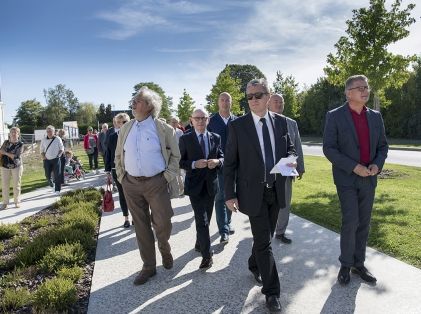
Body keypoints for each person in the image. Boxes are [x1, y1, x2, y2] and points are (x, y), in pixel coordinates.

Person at [224, 78, 296, 313]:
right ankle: (272, 293)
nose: (253, 100)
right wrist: (229, 194)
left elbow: (291, 150)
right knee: (265, 243)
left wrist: (289, 164)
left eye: (258, 95)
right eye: (249, 97)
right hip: (252, 193)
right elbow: (230, 164)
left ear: (268, 95)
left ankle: (253, 264)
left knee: (263, 238)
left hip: (276, 190)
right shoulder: (237, 126)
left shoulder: (283, 123)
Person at [323, 74, 388, 285]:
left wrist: (377, 165)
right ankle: (345, 264)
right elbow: (329, 149)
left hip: (369, 178)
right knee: (351, 221)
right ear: (348, 93)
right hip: (347, 179)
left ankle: (359, 264)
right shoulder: (334, 116)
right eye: (360, 88)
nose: (365, 91)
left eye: (367, 87)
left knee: (364, 222)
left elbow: (382, 146)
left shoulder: (375, 116)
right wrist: (354, 167)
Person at [115, 86, 180, 285]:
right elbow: (119, 155)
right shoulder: (126, 128)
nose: (133, 103)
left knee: (163, 221)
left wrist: (166, 177)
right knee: (141, 226)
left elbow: (176, 156)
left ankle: (164, 245)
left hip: (157, 182)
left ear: (149, 106)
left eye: (137, 100)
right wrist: (122, 177)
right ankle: (149, 267)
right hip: (131, 184)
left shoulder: (164, 129)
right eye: (133, 100)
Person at [179, 108, 224, 269]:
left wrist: (218, 162)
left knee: (207, 219)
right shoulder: (185, 139)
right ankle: (207, 256)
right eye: (197, 118)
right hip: (195, 187)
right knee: (202, 221)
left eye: (203, 118)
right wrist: (193, 164)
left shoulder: (215, 138)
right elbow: (180, 162)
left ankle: (200, 243)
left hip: (211, 186)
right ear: (191, 120)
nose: (200, 121)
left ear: (208, 120)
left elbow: (222, 156)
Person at [268, 94, 305, 244]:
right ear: (269, 103)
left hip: (286, 167)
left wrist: (301, 166)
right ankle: (265, 231)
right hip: (267, 169)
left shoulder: (291, 123)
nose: (278, 104)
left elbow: (297, 145)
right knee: (267, 202)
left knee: (284, 202)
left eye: (281, 102)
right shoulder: (263, 121)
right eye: (275, 101)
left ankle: (280, 232)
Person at [207, 92, 237, 244]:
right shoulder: (211, 121)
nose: (225, 103)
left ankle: (228, 221)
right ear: (218, 103)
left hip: (235, 166)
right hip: (218, 166)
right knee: (220, 198)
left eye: (228, 100)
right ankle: (223, 231)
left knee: (232, 195)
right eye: (222, 100)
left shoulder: (237, 121)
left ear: (231, 102)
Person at [105, 113, 131, 228]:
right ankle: (126, 218)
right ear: (117, 124)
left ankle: (136, 217)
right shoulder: (113, 137)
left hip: (132, 169)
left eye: (124, 122)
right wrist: (108, 171)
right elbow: (108, 154)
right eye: (119, 122)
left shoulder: (134, 135)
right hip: (117, 169)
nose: (122, 124)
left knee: (134, 194)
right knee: (122, 194)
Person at [0, 127, 24, 209]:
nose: (13, 134)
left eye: (15, 132)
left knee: (16, 185)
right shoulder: (5, 142)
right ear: (9, 134)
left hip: (16, 166)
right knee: (4, 185)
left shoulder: (20, 144)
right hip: (4, 166)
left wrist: (5, 153)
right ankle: (5, 203)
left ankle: (17, 202)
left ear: (18, 134)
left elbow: (15, 156)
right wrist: (3, 153)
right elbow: (0, 152)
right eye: (12, 132)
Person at [40, 125, 64, 195]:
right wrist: (44, 157)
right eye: (48, 131)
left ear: (54, 132)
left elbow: (61, 148)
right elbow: (41, 150)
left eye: (50, 131)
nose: (49, 133)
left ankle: (57, 190)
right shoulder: (43, 139)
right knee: (47, 175)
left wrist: (58, 156)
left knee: (57, 175)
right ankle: (51, 184)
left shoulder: (57, 138)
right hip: (47, 160)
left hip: (56, 159)